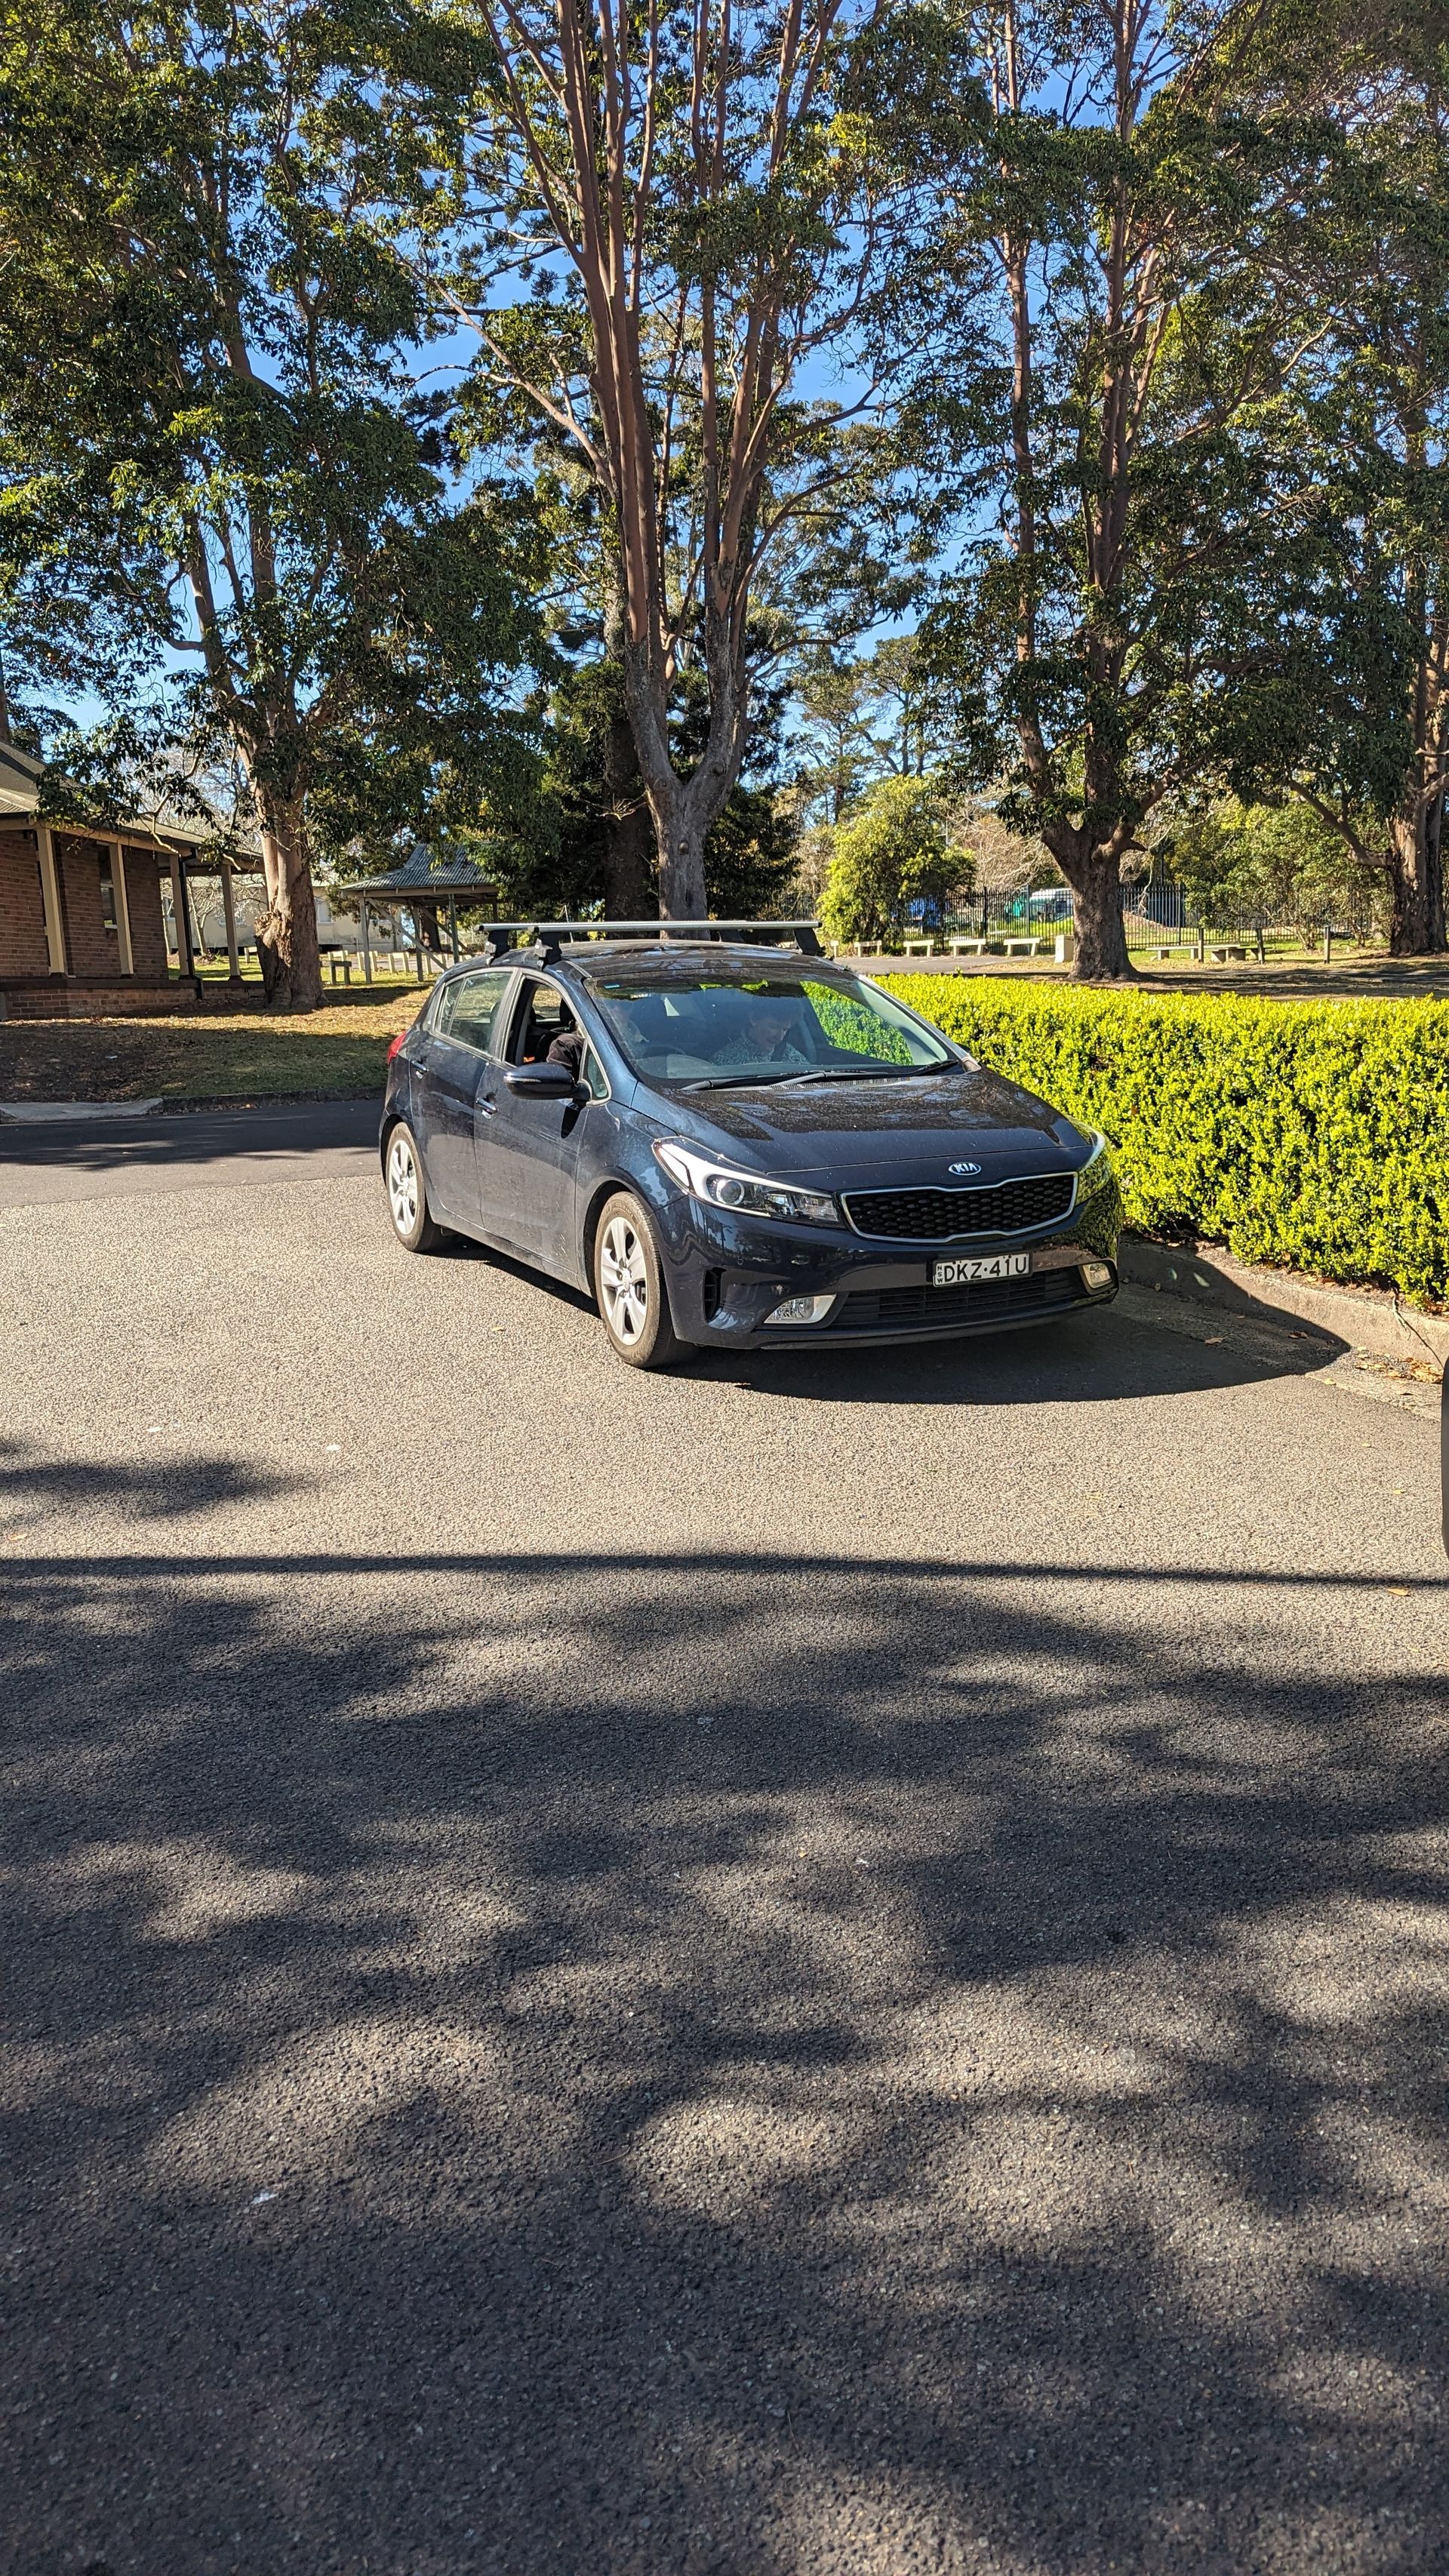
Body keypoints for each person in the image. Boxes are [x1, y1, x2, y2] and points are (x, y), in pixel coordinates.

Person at [714, 989, 813, 1071]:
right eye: (773, 1027)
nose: (780, 1037)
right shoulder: (724, 1060)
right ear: (754, 1019)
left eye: (785, 1029)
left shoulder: (794, 1058)